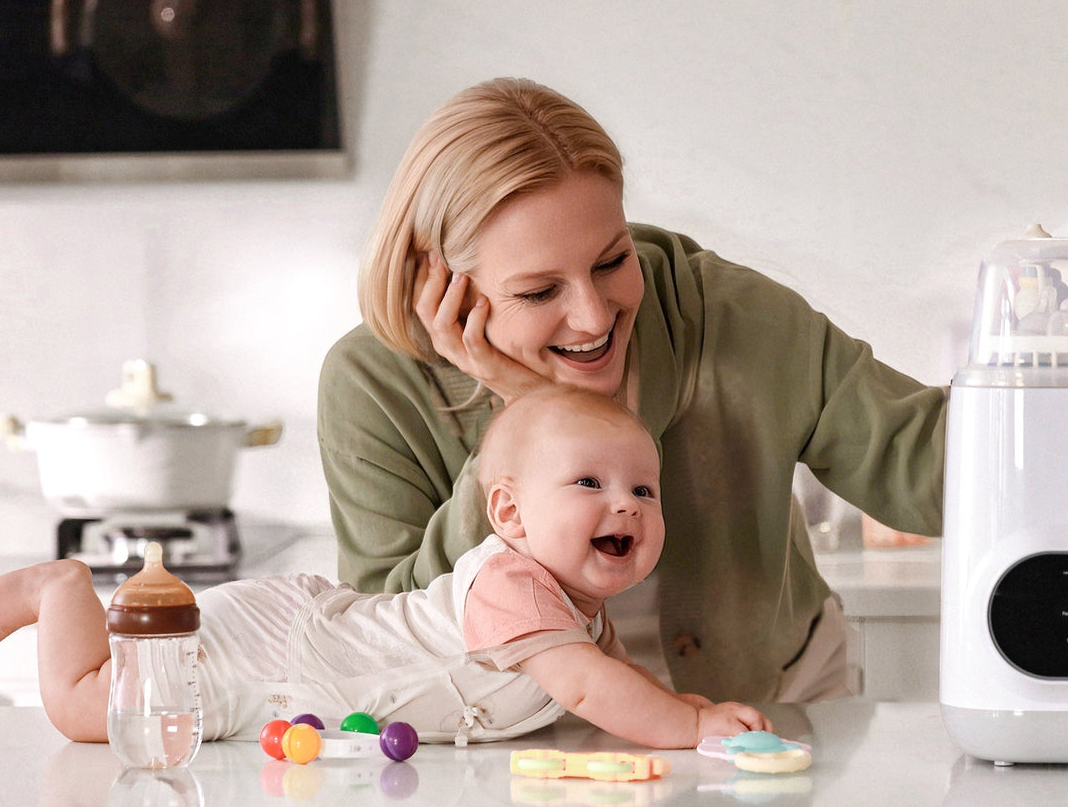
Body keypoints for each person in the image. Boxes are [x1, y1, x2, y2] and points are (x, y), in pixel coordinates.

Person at [319, 77, 947, 706]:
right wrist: (530, 415)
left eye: (613, 261)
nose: (594, 317)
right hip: (515, 744)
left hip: (774, 701)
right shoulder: (373, 385)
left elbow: (925, 469)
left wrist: (1032, 372)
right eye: (539, 292)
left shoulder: (730, 314)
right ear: (444, 285)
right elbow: (385, 641)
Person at [0, 385, 771, 749]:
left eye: (643, 488)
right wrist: (689, 726)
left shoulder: (572, 609)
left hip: (313, 649)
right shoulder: (513, 586)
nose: (626, 504)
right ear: (511, 515)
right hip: (279, 655)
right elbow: (591, 689)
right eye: (590, 483)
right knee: (90, 707)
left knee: (127, 685)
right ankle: (60, 586)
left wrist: (671, 708)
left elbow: (606, 677)